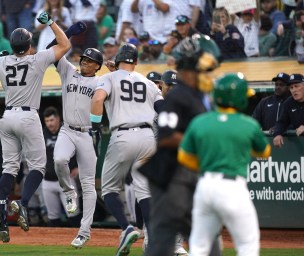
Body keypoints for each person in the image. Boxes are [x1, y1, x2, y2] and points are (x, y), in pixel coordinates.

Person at [0, 11, 71, 243]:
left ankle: (0, 208)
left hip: (7, 117)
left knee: (9, 168)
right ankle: (23, 203)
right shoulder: (37, 58)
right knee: (38, 166)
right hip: (28, 116)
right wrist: (49, 22)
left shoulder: (2, 61)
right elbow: (65, 44)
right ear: (29, 45)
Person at [141, 34, 222, 256]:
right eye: (205, 68)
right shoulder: (177, 96)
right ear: (191, 67)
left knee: (207, 240)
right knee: (163, 244)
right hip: (171, 177)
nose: (209, 73)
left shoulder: (201, 95)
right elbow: (167, 136)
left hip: (188, 174)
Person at [178, 72, 271, 256]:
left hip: (204, 186)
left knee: (199, 248)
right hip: (232, 188)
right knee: (247, 247)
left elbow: (183, 157)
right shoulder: (248, 124)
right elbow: (264, 152)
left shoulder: (200, 122)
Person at [91, 43, 164, 256]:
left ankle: (126, 228)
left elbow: (98, 99)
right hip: (148, 136)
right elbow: (163, 109)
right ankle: (153, 238)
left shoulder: (109, 78)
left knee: (109, 188)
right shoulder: (149, 83)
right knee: (144, 189)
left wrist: (95, 125)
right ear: (137, 62)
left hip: (122, 135)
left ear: (118, 58)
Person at [53, 47, 103, 248]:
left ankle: (84, 231)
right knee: (59, 160)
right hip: (67, 129)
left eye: (90, 61)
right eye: (84, 59)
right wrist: (56, 25)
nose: (85, 62)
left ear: (97, 66)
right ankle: (68, 192)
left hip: (87, 133)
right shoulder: (68, 71)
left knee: (88, 184)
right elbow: (54, 50)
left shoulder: (101, 81)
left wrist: (114, 68)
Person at [41, 106, 82, 227]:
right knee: (53, 218)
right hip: (48, 181)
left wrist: (78, 167)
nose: (49, 123)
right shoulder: (42, 134)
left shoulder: (68, 132)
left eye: (52, 120)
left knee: (73, 214)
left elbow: (82, 150)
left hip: (66, 180)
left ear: (58, 119)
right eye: (47, 121)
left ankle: (80, 239)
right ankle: (56, 244)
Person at [273, 73, 304, 148]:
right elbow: (282, 122)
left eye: (297, 86)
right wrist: (277, 134)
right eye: (291, 87)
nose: (294, 90)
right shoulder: (289, 103)